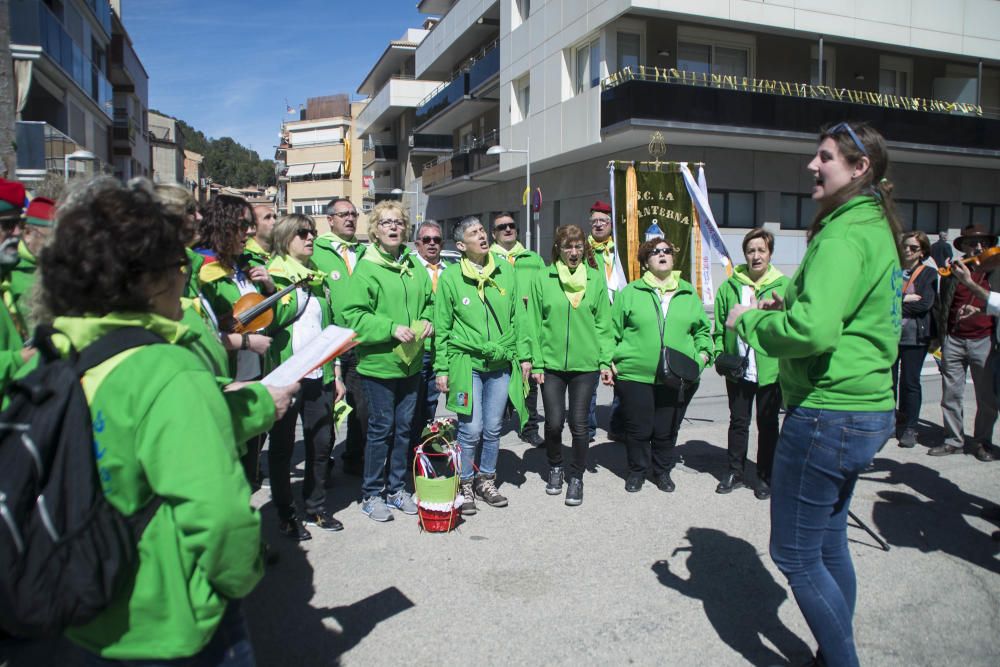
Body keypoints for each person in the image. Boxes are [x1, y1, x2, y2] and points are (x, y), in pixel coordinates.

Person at [29, 177, 263, 663]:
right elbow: (221, 519)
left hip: (84, 607)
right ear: (150, 277)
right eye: (179, 262)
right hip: (168, 623)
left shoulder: (55, 349)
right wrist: (236, 581)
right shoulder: (167, 369)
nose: (184, 274)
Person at [727, 121, 902, 667]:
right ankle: (832, 654)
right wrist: (790, 310)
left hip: (829, 410)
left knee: (795, 555)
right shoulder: (871, 225)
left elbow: (814, 333)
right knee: (828, 544)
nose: (812, 165)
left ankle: (841, 659)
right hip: (864, 406)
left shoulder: (846, 233)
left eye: (824, 156)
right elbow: (834, 316)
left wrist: (752, 320)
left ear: (859, 168)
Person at [342, 200, 433, 522]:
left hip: (411, 363)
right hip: (379, 365)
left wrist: (427, 322)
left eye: (398, 222)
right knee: (382, 429)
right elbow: (352, 316)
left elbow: (430, 302)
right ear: (375, 231)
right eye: (386, 223)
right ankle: (371, 493)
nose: (393, 227)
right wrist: (390, 329)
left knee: (406, 428)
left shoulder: (413, 264)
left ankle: (396, 489)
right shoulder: (367, 268)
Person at [266, 214, 347, 539]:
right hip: (286, 377)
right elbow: (273, 321)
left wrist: (337, 372)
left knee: (320, 445)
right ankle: (286, 514)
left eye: (312, 232)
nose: (310, 237)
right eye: (302, 233)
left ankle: (315, 507)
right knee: (283, 448)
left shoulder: (317, 279)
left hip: (320, 375)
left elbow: (328, 328)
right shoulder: (274, 276)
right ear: (286, 238)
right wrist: (279, 290)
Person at [434, 216, 522, 514]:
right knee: (470, 429)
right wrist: (442, 368)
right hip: (465, 364)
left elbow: (516, 319)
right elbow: (442, 327)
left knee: (494, 427)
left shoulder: (505, 270)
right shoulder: (450, 278)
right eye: (474, 233)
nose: (482, 236)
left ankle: (486, 480)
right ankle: (465, 483)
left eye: (482, 230)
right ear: (461, 245)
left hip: (499, 363)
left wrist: (522, 357)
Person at [611, 237, 712, 494]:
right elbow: (612, 331)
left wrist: (702, 357)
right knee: (638, 428)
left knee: (666, 428)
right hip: (635, 373)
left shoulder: (688, 292)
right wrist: (609, 360)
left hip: (678, 374)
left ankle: (662, 471)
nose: (663, 254)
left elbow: (702, 331)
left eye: (667, 250)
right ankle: (637, 471)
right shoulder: (630, 293)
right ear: (646, 262)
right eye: (655, 252)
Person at [527, 224, 613, 506]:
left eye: (578, 247)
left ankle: (576, 478)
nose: (573, 252)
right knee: (552, 424)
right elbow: (534, 323)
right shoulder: (543, 278)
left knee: (579, 425)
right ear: (558, 249)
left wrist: (604, 360)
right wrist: (536, 363)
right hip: (551, 365)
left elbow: (603, 324)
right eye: (568, 247)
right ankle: (555, 467)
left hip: (585, 365)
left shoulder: (595, 279)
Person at [712, 228, 788, 499]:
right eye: (751, 251)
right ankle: (735, 471)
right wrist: (720, 352)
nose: (756, 256)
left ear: (770, 253)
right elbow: (720, 325)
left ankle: (766, 475)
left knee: (767, 424)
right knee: (738, 421)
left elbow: (791, 325)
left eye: (761, 250)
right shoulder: (731, 286)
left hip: (771, 370)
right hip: (738, 368)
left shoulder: (784, 286)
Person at [929, 223, 1000, 461]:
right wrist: (941, 337)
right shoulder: (953, 273)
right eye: (972, 243)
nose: (978, 247)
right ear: (964, 247)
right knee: (951, 393)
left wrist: (980, 311)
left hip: (985, 340)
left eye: (984, 243)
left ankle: (983, 442)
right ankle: (953, 440)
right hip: (955, 338)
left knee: (986, 396)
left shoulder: (997, 270)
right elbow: (944, 305)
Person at [313, 197, 369, 476]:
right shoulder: (316, 252)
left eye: (354, 214)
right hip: (328, 344)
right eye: (343, 214)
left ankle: (355, 458)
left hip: (359, 342)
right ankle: (324, 462)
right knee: (328, 408)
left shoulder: (365, 253)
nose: (350, 218)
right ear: (330, 220)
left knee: (361, 408)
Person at [490, 211, 546, 445]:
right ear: (494, 233)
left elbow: (544, 290)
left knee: (528, 378)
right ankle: (496, 421)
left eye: (511, 225)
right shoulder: (488, 259)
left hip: (528, 327)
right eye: (502, 227)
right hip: (500, 329)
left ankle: (529, 426)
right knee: (498, 377)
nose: (507, 230)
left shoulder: (532, 258)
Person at [892, 231, 937, 448]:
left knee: (909, 383)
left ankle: (910, 427)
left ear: (923, 251)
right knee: (887, 383)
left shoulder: (928, 273)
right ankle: (890, 423)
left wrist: (895, 302)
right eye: (906, 246)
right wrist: (904, 296)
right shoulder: (892, 271)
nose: (908, 251)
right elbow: (879, 301)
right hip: (890, 336)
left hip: (915, 337)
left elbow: (924, 305)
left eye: (914, 248)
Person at [587, 200, 626, 442]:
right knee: (590, 379)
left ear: (611, 224)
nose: (598, 225)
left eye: (603, 221)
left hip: (619, 320)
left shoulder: (622, 250)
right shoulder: (583, 250)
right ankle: (588, 428)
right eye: (594, 221)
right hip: (592, 322)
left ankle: (618, 426)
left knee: (621, 377)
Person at [412, 220, 453, 442]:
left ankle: (425, 445)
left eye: (436, 240)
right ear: (417, 243)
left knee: (431, 401)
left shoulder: (451, 271)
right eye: (426, 239)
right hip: (415, 346)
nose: (431, 244)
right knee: (412, 402)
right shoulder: (408, 269)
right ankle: (410, 449)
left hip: (441, 349)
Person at [6, 196, 56, 335]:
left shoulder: (59, 270)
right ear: (27, 234)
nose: (56, 245)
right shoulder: (10, 271)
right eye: (51, 237)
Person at [244, 202, 277, 267]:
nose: (274, 222)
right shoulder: (244, 255)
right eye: (267, 217)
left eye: (275, 217)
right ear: (253, 226)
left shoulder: (283, 254)